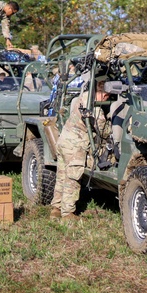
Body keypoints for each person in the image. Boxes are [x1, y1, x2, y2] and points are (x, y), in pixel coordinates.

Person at [51, 80, 113, 221]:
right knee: (73, 178)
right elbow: (103, 131)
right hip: (75, 146)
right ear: (103, 95)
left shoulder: (84, 96)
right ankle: (67, 214)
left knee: (62, 176)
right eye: (108, 96)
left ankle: (56, 208)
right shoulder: (95, 109)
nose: (108, 98)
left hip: (64, 140)